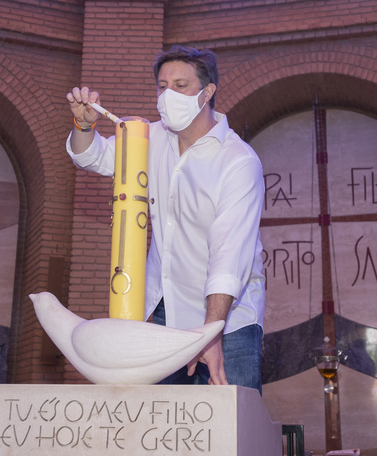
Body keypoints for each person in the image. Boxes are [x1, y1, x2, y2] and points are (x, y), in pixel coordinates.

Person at [66, 45, 265, 390]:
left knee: (232, 431)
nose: (167, 95)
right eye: (162, 86)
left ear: (207, 92)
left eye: (180, 85)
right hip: (163, 311)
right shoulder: (148, 138)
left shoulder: (238, 160)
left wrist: (210, 333)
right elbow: (94, 158)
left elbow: (229, 255)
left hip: (228, 323)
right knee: (157, 427)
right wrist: (83, 126)